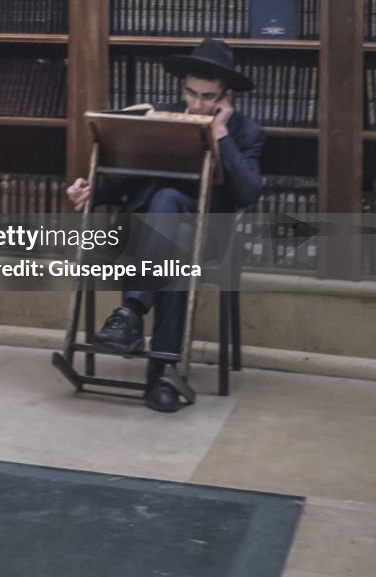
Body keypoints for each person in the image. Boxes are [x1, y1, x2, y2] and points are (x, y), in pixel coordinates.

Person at [66, 38, 263, 413]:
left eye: (208, 97)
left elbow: (248, 193)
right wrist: (91, 190)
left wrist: (219, 134)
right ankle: (164, 375)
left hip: (211, 237)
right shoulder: (161, 116)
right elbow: (127, 174)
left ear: (225, 96)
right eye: (191, 93)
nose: (197, 104)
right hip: (152, 235)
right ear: (182, 87)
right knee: (170, 231)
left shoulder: (245, 132)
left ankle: (130, 315)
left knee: (170, 214)